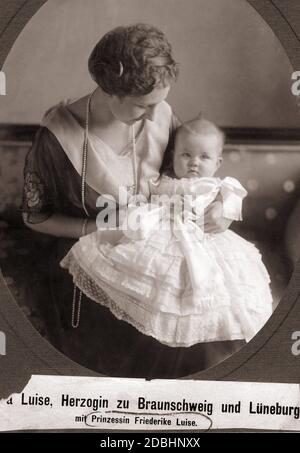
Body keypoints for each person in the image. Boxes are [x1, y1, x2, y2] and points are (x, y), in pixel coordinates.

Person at [22, 24, 238, 378]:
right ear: (111, 90)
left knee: (205, 331)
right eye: (144, 105)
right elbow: (35, 216)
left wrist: (220, 207)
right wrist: (95, 227)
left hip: (161, 262)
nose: (156, 115)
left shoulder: (161, 115)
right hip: (90, 269)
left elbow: (194, 179)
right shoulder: (58, 138)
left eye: (160, 102)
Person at [61, 116, 273, 349]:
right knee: (151, 272)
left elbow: (234, 197)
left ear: (217, 163)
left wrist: (222, 205)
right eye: (186, 154)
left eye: (204, 157)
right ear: (173, 156)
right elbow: (141, 194)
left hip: (202, 237)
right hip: (160, 231)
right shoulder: (161, 181)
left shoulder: (216, 186)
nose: (194, 162)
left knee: (219, 279)